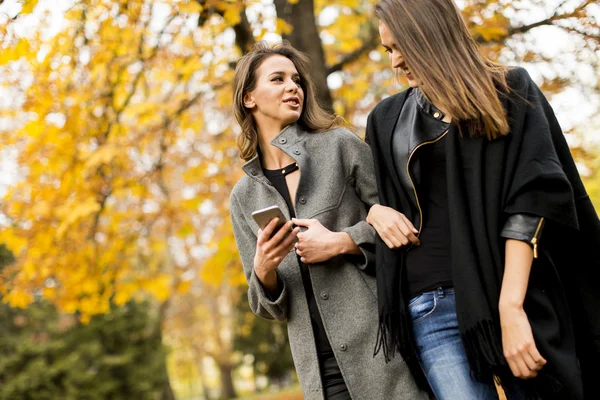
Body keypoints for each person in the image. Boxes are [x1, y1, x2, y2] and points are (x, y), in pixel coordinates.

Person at [365, 0, 600, 399]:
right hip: (430, 304)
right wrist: (374, 212)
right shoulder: (386, 118)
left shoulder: (508, 88)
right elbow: (368, 198)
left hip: (511, 289)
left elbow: (534, 199)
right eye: (388, 50)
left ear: (429, 35)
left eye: (400, 46)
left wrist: (511, 307)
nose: (395, 62)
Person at [229, 40, 426, 400]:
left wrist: (344, 242)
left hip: (382, 351)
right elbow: (265, 306)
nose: (293, 87)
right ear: (249, 98)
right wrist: (264, 271)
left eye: (297, 80)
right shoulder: (244, 196)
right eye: (278, 79)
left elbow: (404, 221)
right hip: (320, 372)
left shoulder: (340, 145)